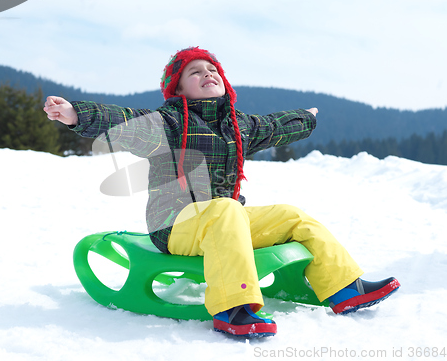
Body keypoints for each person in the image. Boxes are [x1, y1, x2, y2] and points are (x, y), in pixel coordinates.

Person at [44, 47, 400, 338]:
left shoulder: (238, 125)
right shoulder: (166, 123)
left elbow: (272, 127)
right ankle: (233, 306)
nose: (207, 74)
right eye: (195, 72)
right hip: (175, 226)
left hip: (224, 222)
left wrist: (305, 118)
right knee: (226, 209)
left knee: (291, 215)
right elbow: (122, 119)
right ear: (179, 89)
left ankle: (345, 288)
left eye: (212, 69)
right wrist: (77, 114)